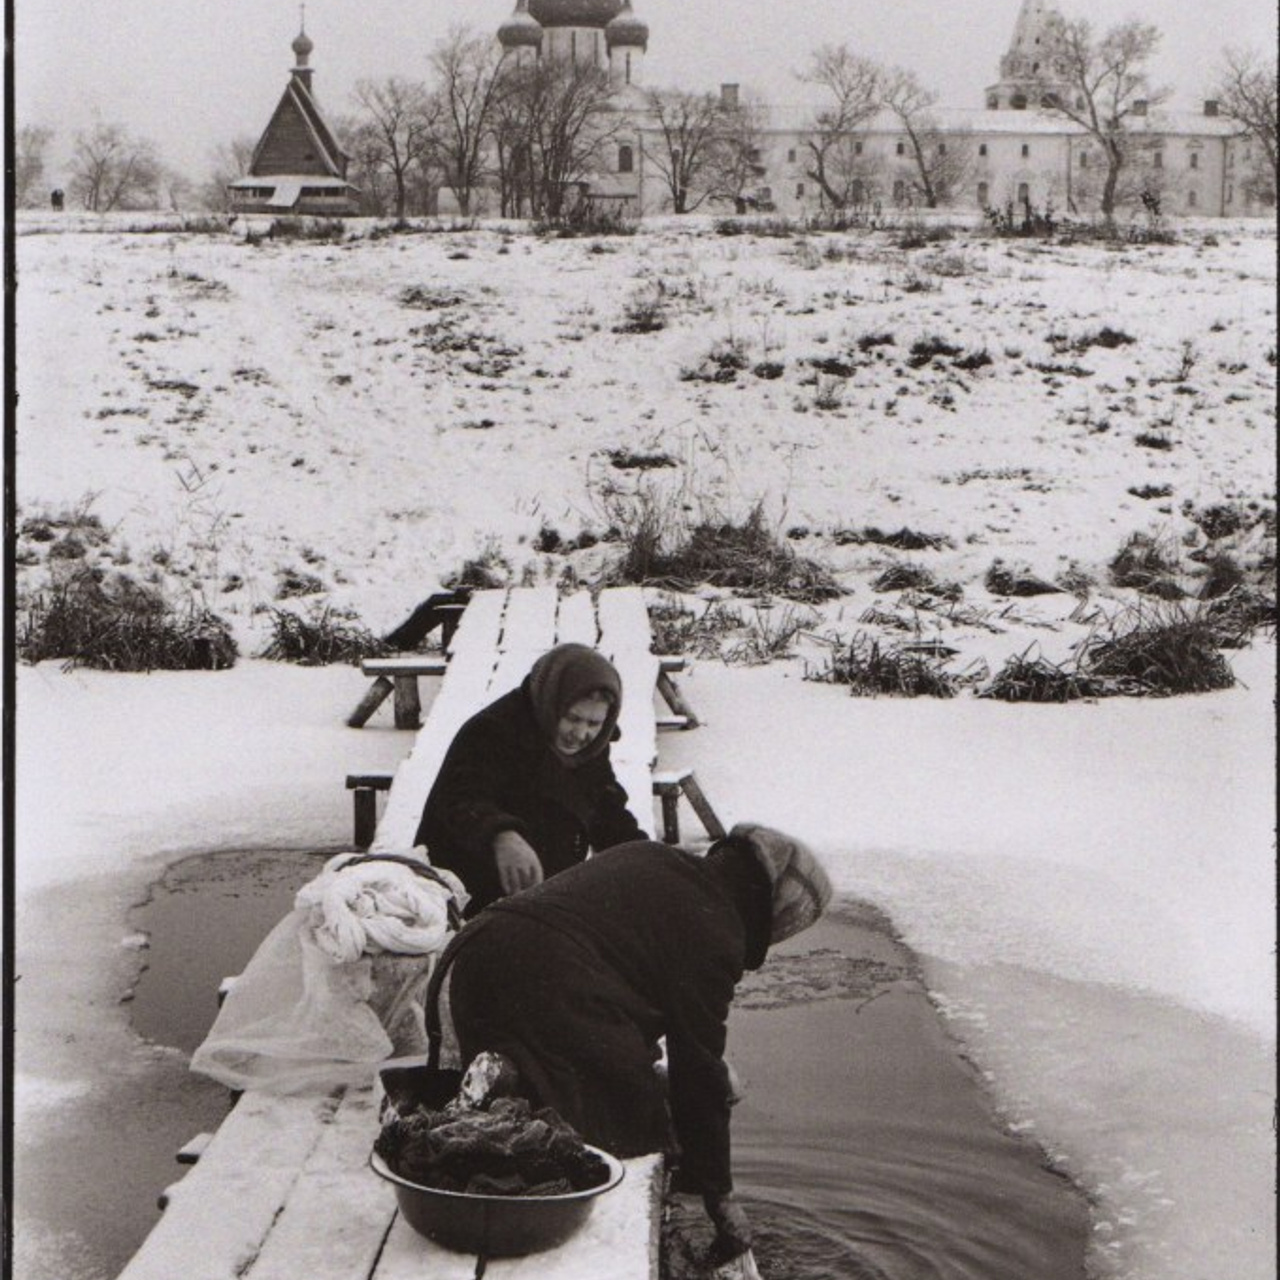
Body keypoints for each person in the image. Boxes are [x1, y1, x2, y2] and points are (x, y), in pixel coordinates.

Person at [427, 823, 833, 1269]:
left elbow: (620, 977)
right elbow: (697, 1068)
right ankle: (517, 1083)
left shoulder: (656, 857)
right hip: (546, 986)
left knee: (602, 1074)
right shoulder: (717, 930)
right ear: (775, 909)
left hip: (475, 961)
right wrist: (719, 1196)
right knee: (633, 1128)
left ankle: (508, 1074)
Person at [413, 642, 647, 913]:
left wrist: (646, 859)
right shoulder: (492, 731)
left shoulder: (590, 749)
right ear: (552, 703)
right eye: (572, 718)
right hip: (465, 894)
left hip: (543, 897)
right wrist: (501, 834)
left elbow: (606, 811)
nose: (581, 734)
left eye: (594, 723)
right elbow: (461, 798)